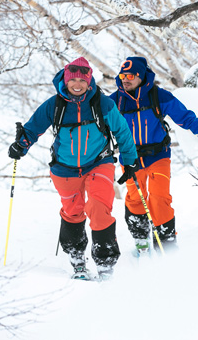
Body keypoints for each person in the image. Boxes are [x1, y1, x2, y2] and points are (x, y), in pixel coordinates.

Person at [8, 57, 139, 280]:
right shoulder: (54, 104)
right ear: (66, 80)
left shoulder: (102, 103)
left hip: (99, 162)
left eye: (82, 79)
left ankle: (106, 265)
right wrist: (21, 145)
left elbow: (122, 131)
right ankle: (77, 259)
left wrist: (130, 160)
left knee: (99, 207)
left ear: (89, 82)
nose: (77, 84)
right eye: (73, 79)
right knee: (72, 212)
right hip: (64, 168)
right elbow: (33, 129)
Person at [110, 56, 198, 255]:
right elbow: (97, 123)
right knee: (136, 198)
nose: (124, 79)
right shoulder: (115, 101)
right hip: (130, 157)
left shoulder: (158, 96)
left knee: (159, 197)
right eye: (122, 75)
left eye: (130, 75)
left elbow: (185, 118)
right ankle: (140, 236)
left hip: (158, 155)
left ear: (141, 77)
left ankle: (166, 242)